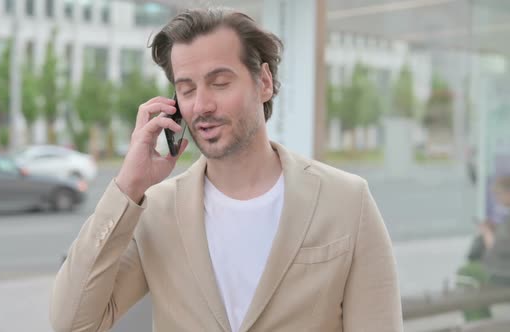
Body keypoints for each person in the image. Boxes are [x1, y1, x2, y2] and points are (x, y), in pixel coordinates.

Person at [50, 8, 403, 332]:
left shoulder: (346, 201)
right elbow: (71, 322)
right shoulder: (156, 210)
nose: (201, 105)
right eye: (186, 90)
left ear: (263, 82)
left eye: (220, 83)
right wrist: (128, 185)